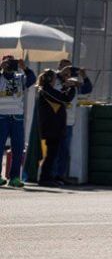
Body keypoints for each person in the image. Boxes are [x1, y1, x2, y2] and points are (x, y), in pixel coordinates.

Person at [53, 59, 93, 183]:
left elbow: (87, 89)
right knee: (53, 151)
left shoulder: (73, 84)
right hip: (54, 122)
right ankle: (50, 175)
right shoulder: (54, 81)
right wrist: (60, 75)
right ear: (59, 68)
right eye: (64, 68)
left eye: (69, 69)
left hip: (68, 122)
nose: (67, 71)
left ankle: (60, 176)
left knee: (64, 151)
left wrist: (84, 76)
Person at [36, 69, 76, 187]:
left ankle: (49, 177)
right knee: (51, 154)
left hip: (55, 127)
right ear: (50, 79)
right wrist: (72, 87)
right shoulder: (46, 90)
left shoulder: (49, 90)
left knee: (53, 154)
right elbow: (65, 98)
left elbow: (60, 97)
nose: (55, 80)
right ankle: (44, 178)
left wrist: (66, 87)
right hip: (51, 128)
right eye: (54, 78)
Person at [0, 55, 35, 187]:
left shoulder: (20, 77)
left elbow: (32, 79)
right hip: (1, 117)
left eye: (12, 62)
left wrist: (24, 67)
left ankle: (14, 178)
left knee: (18, 148)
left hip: (17, 118)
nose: (9, 65)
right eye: (7, 62)